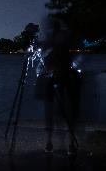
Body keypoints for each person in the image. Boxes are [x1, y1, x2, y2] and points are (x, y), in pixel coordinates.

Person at [36, 18, 80, 155]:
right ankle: (69, 144)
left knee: (54, 110)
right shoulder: (63, 38)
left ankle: (52, 143)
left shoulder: (55, 39)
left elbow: (46, 56)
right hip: (62, 77)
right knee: (64, 110)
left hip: (59, 76)